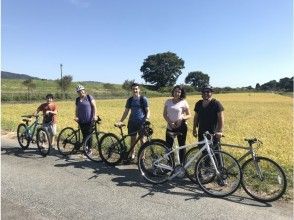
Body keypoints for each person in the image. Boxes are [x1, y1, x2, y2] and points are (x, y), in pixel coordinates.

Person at [118, 83, 150, 160]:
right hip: (132, 122)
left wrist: (147, 118)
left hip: (142, 122)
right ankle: (133, 153)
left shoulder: (143, 99)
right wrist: (121, 121)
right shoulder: (130, 100)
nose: (135, 90)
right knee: (133, 140)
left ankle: (142, 156)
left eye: (136, 89)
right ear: (131, 90)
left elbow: (148, 110)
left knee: (143, 140)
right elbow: (126, 111)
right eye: (133, 89)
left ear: (139, 90)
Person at [163, 85, 191, 164]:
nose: (177, 93)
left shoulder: (184, 102)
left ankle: (182, 165)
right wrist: (170, 122)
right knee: (168, 146)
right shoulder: (168, 101)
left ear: (181, 93)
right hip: (170, 126)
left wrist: (181, 118)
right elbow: (165, 114)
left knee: (182, 146)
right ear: (173, 92)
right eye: (175, 91)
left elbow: (189, 115)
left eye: (179, 92)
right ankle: (170, 164)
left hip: (181, 127)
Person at [74, 85, 97, 154]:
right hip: (81, 120)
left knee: (89, 135)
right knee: (84, 134)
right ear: (77, 93)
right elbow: (76, 109)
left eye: (81, 90)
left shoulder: (89, 97)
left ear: (84, 90)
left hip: (89, 119)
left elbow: (94, 107)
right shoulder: (77, 99)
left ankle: (89, 149)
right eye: (79, 91)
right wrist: (76, 116)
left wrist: (95, 115)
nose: (81, 92)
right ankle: (85, 147)